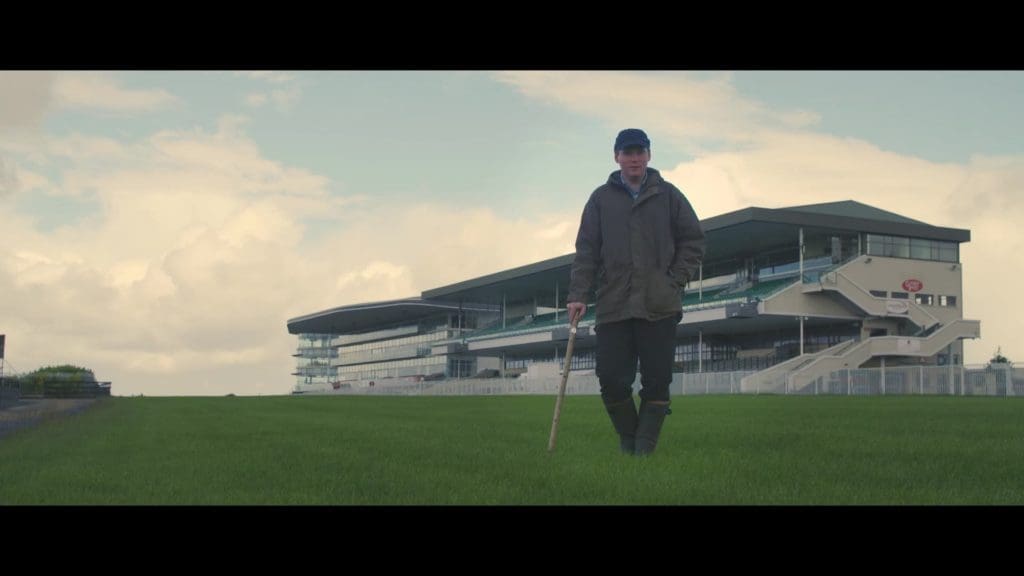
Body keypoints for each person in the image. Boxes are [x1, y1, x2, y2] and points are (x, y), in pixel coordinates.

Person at [566, 128, 705, 456]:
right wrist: (578, 294)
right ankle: (629, 439)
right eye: (628, 153)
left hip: (659, 304)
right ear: (617, 157)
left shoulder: (669, 195)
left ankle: (643, 448)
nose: (634, 158)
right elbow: (586, 250)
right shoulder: (600, 199)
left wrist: (675, 280)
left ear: (649, 155)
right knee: (612, 379)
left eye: (640, 152)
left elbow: (694, 240)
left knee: (658, 380)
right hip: (614, 304)